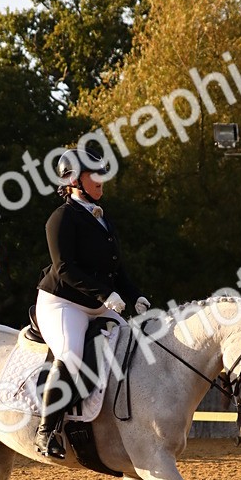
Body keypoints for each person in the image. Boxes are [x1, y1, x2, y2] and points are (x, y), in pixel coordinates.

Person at [33, 145, 150, 458]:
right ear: (74, 179)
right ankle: (47, 431)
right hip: (63, 303)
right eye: (94, 175)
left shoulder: (102, 218)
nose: (101, 180)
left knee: (135, 348)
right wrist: (105, 295)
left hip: (99, 302)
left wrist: (134, 294)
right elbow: (64, 269)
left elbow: (116, 268)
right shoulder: (61, 218)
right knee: (71, 355)